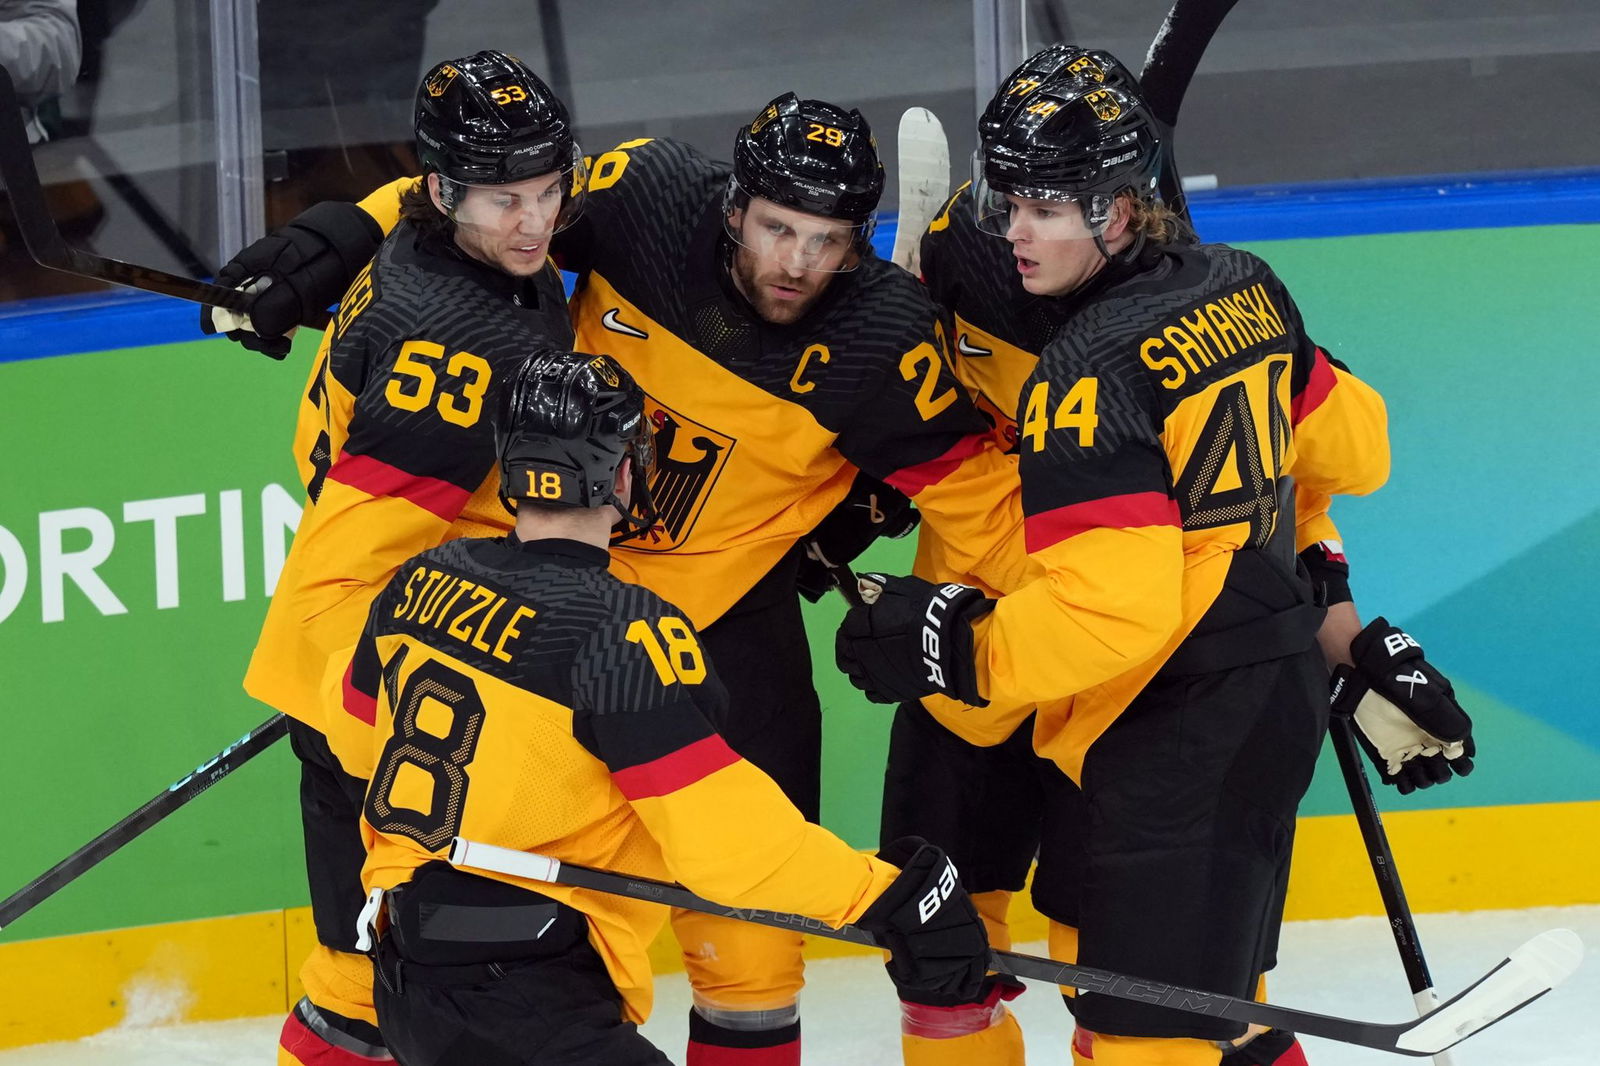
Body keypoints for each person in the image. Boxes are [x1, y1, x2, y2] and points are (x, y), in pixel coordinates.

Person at [206, 86, 1031, 1066]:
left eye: (828, 239)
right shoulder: (644, 195)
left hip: (713, 624)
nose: (797, 264)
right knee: (365, 957)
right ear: (732, 205)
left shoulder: (883, 341)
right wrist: (354, 229)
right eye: (777, 228)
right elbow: (502, 193)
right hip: (549, 600)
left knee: (751, 958)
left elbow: (982, 503)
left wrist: (977, 633)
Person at [836, 69, 1473, 1066]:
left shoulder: (1082, 371)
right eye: (1007, 205)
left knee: (1151, 1026)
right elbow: (1353, 454)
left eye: (1044, 209)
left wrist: (951, 646)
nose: (1016, 233)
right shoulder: (1244, 283)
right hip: (1215, 692)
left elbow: (1112, 615)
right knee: (1044, 987)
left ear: (1119, 209)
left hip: (1152, 704)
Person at [332, 347, 990, 1066]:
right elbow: (730, 847)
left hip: (405, 981)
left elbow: (357, 734)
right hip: (531, 1001)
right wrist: (886, 897)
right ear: (622, 472)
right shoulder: (623, 633)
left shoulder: (421, 580)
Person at [235, 51, 585, 1066]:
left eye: (546, 190)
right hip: (369, 680)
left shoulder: (436, 227)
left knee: (371, 972)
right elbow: (341, 574)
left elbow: (396, 201)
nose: (532, 221)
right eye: (503, 200)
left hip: (402, 657)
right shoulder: (457, 346)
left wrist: (331, 228)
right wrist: (380, 743)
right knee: (369, 977)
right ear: (446, 191)